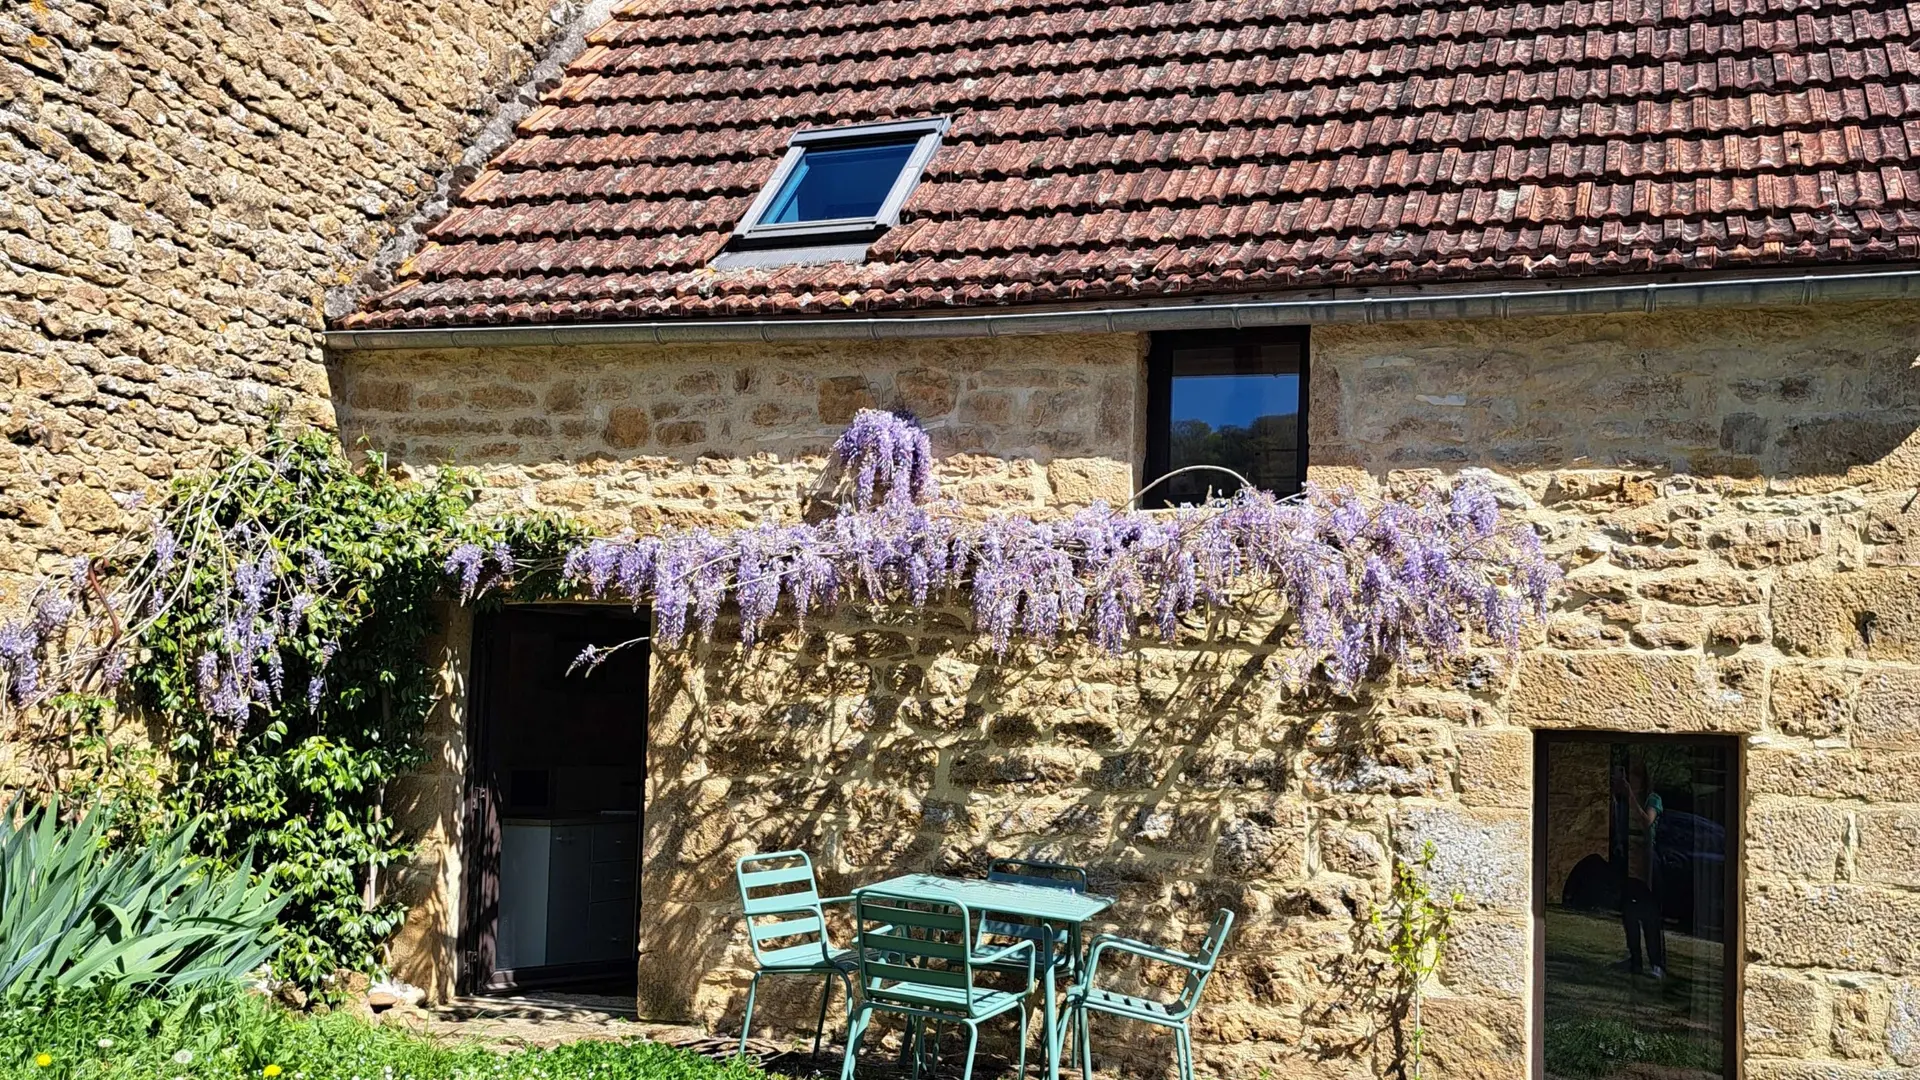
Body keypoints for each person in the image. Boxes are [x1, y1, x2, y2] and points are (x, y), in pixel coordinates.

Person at [1611, 765, 1666, 979]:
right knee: (1629, 913)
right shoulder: (1621, 799)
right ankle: (1635, 960)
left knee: (1649, 914)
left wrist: (1630, 795)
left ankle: (1656, 964)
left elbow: (1646, 822)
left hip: (1646, 862)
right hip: (1628, 860)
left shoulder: (1652, 799)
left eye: (1633, 777)